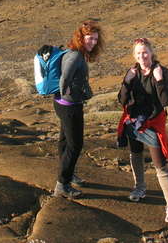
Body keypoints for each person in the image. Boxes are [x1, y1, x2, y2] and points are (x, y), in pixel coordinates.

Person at [117, 37, 168, 224]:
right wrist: (127, 82)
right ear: (134, 55)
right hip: (134, 121)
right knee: (135, 154)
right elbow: (121, 99)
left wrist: (159, 80)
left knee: (160, 164)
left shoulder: (162, 72)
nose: (142, 56)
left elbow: (166, 101)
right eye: (138, 53)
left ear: (151, 53)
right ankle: (139, 187)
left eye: (145, 52)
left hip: (153, 123)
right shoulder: (133, 72)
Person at [52, 19, 102, 199]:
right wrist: (71, 97)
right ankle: (62, 185)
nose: (93, 42)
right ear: (81, 37)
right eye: (90, 38)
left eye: (95, 39)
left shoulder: (74, 52)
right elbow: (64, 79)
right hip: (69, 106)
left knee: (65, 141)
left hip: (63, 104)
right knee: (75, 144)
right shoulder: (74, 56)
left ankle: (67, 174)